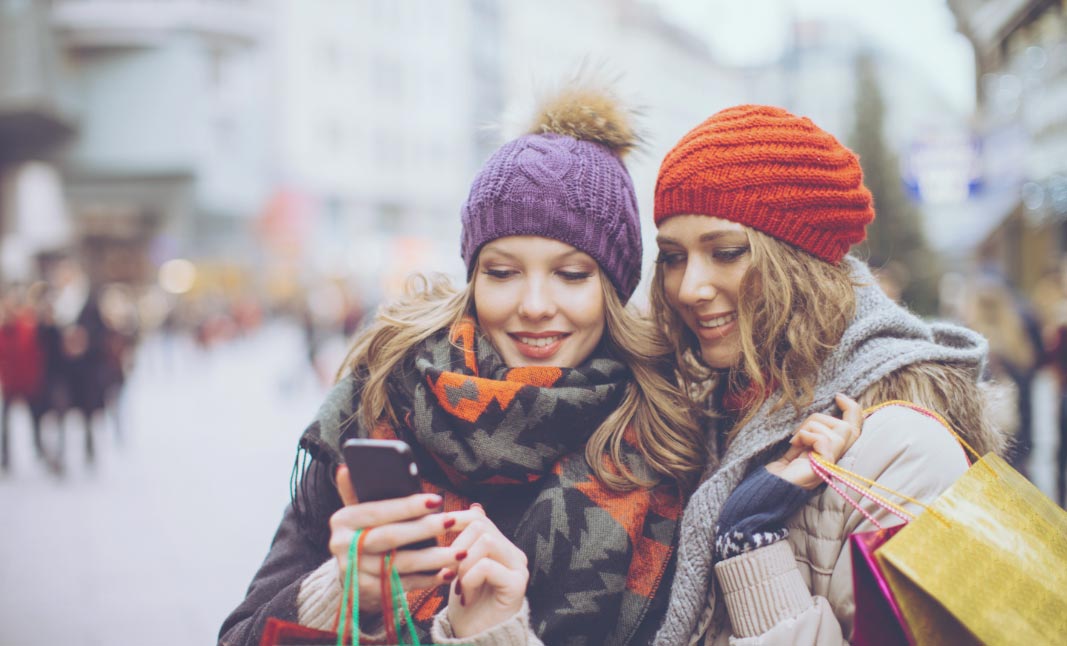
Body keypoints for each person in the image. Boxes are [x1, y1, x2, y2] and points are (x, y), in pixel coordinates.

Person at [219, 84, 704, 646]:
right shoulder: (387, 394)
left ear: (614, 287)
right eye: (502, 272)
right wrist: (345, 594)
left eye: (572, 275)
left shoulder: (668, 439)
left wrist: (495, 635)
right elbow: (240, 637)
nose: (535, 304)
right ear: (473, 277)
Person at [646, 105, 1006, 644]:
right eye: (673, 257)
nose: (689, 287)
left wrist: (750, 541)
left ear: (798, 261)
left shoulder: (904, 446)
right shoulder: (701, 415)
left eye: (725, 252)